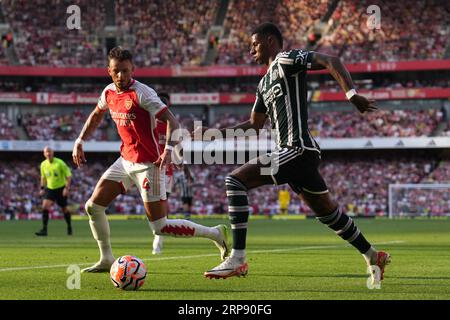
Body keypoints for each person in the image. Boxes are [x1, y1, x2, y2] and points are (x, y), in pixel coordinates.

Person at [199, 23, 390, 286]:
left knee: (235, 181)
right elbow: (254, 126)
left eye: (254, 44)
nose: (250, 49)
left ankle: (237, 258)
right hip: (296, 155)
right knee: (328, 214)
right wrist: (213, 135)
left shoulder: (285, 59)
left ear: (269, 41)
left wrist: (352, 94)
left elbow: (330, 60)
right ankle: (373, 255)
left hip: (297, 149)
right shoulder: (263, 84)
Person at [72, 47, 229, 272]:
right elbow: (96, 114)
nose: (121, 76)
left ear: (132, 69)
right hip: (125, 160)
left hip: (150, 165)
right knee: (93, 207)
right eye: (116, 71)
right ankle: (106, 258)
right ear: (109, 71)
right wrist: (80, 140)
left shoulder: (143, 93)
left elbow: (173, 122)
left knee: (159, 227)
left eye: (125, 71)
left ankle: (215, 233)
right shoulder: (108, 93)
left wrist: (167, 151)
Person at [35, 146, 73, 236]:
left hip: (61, 188)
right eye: (46, 152)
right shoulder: (43, 164)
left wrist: (66, 188)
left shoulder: (60, 163)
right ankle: (44, 230)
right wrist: (42, 188)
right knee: (45, 207)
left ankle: (69, 226)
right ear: (44, 154)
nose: (48, 153)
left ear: (53, 153)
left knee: (64, 209)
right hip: (50, 189)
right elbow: (43, 177)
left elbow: (69, 176)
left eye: (50, 152)